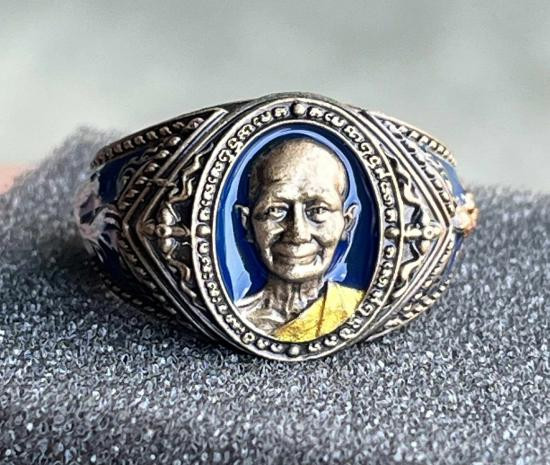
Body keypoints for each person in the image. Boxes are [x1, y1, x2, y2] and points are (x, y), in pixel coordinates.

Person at [236, 137, 364, 342]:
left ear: (347, 223)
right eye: (276, 210)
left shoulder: (356, 309)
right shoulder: (238, 317)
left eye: (318, 210)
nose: (298, 234)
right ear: (248, 224)